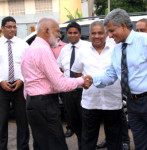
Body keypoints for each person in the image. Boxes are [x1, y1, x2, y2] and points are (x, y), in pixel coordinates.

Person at [21, 18, 92, 150]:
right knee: (56, 145)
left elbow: (28, 81)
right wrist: (82, 80)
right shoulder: (43, 50)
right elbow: (60, 84)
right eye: (57, 31)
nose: (60, 35)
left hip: (34, 103)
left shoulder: (31, 48)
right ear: (47, 30)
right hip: (44, 105)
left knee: (41, 144)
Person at [92, 8, 147, 150]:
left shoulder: (146, 41)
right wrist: (88, 80)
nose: (109, 35)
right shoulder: (117, 50)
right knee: (141, 144)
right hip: (132, 103)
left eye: (111, 31)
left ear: (123, 25)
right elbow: (111, 75)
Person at [72, 21, 123, 150]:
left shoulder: (116, 50)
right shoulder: (83, 52)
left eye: (100, 33)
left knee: (115, 139)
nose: (97, 36)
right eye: (93, 33)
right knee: (88, 140)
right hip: (90, 102)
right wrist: (83, 82)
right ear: (89, 35)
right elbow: (77, 71)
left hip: (112, 102)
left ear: (106, 34)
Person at [57, 22, 90, 150]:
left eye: (75, 32)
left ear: (80, 34)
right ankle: (81, 145)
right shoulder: (64, 49)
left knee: (86, 122)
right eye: (70, 33)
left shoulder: (87, 47)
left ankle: (86, 146)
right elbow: (59, 68)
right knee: (74, 122)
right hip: (69, 91)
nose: (72, 35)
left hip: (84, 91)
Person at [0, 16, 30, 150]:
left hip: (20, 87)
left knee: (22, 121)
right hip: (1, 88)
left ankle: (23, 147)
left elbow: (29, 66)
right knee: (1, 122)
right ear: (2, 28)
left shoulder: (23, 44)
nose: (12, 29)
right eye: (9, 27)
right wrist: (0, 81)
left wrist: (22, 79)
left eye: (14, 27)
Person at [97, 37, 130, 150]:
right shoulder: (103, 41)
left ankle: (125, 141)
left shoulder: (117, 44)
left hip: (116, 87)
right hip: (103, 87)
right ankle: (108, 139)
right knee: (107, 117)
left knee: (120, 115)